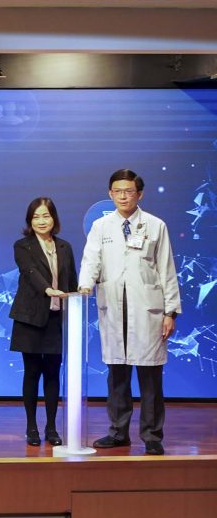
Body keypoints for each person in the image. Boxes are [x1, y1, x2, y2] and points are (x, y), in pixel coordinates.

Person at [79, 169, 181, 456]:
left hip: (147, 310)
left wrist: (170, 312)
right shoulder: (101, 226)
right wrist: (84, 286)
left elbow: (166, 269)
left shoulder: (155, 225)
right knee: (117, 377)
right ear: (110, 194)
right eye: (117, 191)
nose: (123, 196)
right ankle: (118, 432)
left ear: (140, 194)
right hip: (113, 308)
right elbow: (91, 260)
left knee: (150, 380)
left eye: (129, 191)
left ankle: (152, 435)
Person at [9, 197, 76, 447]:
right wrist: (48, 289)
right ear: (30, 221)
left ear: (54, 218)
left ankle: (51, 427)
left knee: (53, 373)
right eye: (36, 217)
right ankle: (31, 427)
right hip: (30, 318)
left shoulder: (65, 247)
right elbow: (30, 272)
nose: (41, 221)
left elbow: (71, 280)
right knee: (32, 372)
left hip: (56, 318)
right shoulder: (22, 246)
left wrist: (78, 293)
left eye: (45, 216)